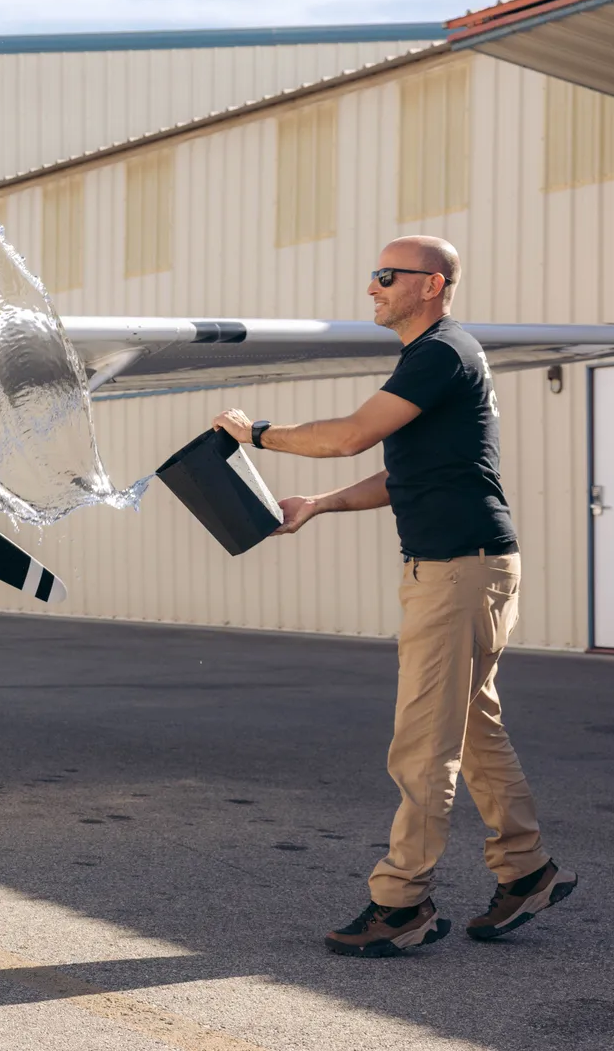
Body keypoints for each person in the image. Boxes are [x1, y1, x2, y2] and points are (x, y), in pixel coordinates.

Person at [213, 235, 574, 958]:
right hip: (466, 566)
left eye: (386, 276)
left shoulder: (443, 352)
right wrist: (319, 503)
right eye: (373, 274)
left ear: (432, 284)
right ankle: (526, 868)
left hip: (457, 570)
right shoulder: (434, 359)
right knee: (473, 728)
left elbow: (349, 436)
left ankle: (401, 901)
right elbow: (400, 475)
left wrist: (258, 432)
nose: (372, 287)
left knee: (423, 743)